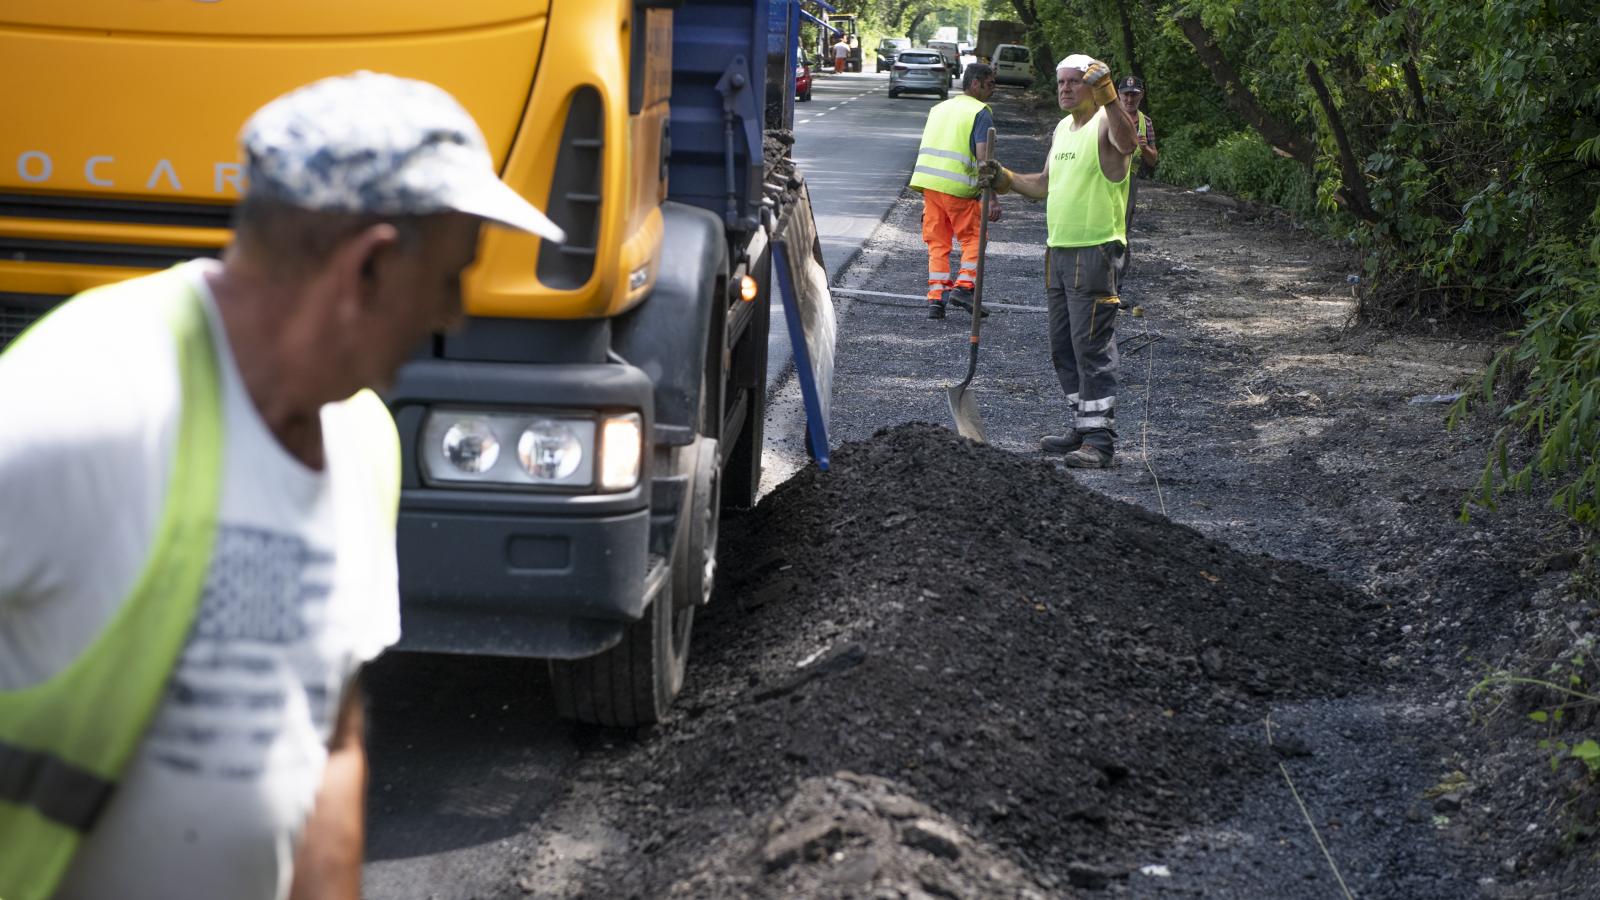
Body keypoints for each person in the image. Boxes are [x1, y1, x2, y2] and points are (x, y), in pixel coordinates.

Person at [0, 72, 563, 900]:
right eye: (450, 275)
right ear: (367, 268)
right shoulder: (85, 400)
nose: (453, 313)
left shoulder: (363, 438)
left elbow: (328, 737)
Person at [981, 55, 1136, 468]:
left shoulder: (1106, 122)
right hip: (1059, 250)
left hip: (1097, 249)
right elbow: (1044, 186)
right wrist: (1006, 179)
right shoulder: (1062, 129)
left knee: (1092, 345)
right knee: (1063, 347)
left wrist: (1111, 99)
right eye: (1060, 83)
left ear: (1092, 88)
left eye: (1074, 82)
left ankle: (1100, 442)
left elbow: (1128, 145)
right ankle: (1083, 425)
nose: (1065, 89)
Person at [908, 62, 1002, 320]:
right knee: (974, 239)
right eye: (990, 84)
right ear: (976, 83)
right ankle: (963, 287)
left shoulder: (939, 108)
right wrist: (992, 197)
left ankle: (936, 300)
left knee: (938, 243)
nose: (994, 90)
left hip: (930, 186)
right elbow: (985, 160)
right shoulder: (980, 112)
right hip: (958, 187)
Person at [1117, 75, 1158, 231]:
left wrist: (1145, 148)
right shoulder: (1105, 117)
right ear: (1118, 94)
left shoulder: (1145, 122)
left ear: (1141, 95)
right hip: (1105, 176)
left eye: (1133, 94)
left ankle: (1122, 253)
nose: (1129, 99)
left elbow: (1153, 160)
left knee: (1124, 223)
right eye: (1126, 94)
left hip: (1130, 179)